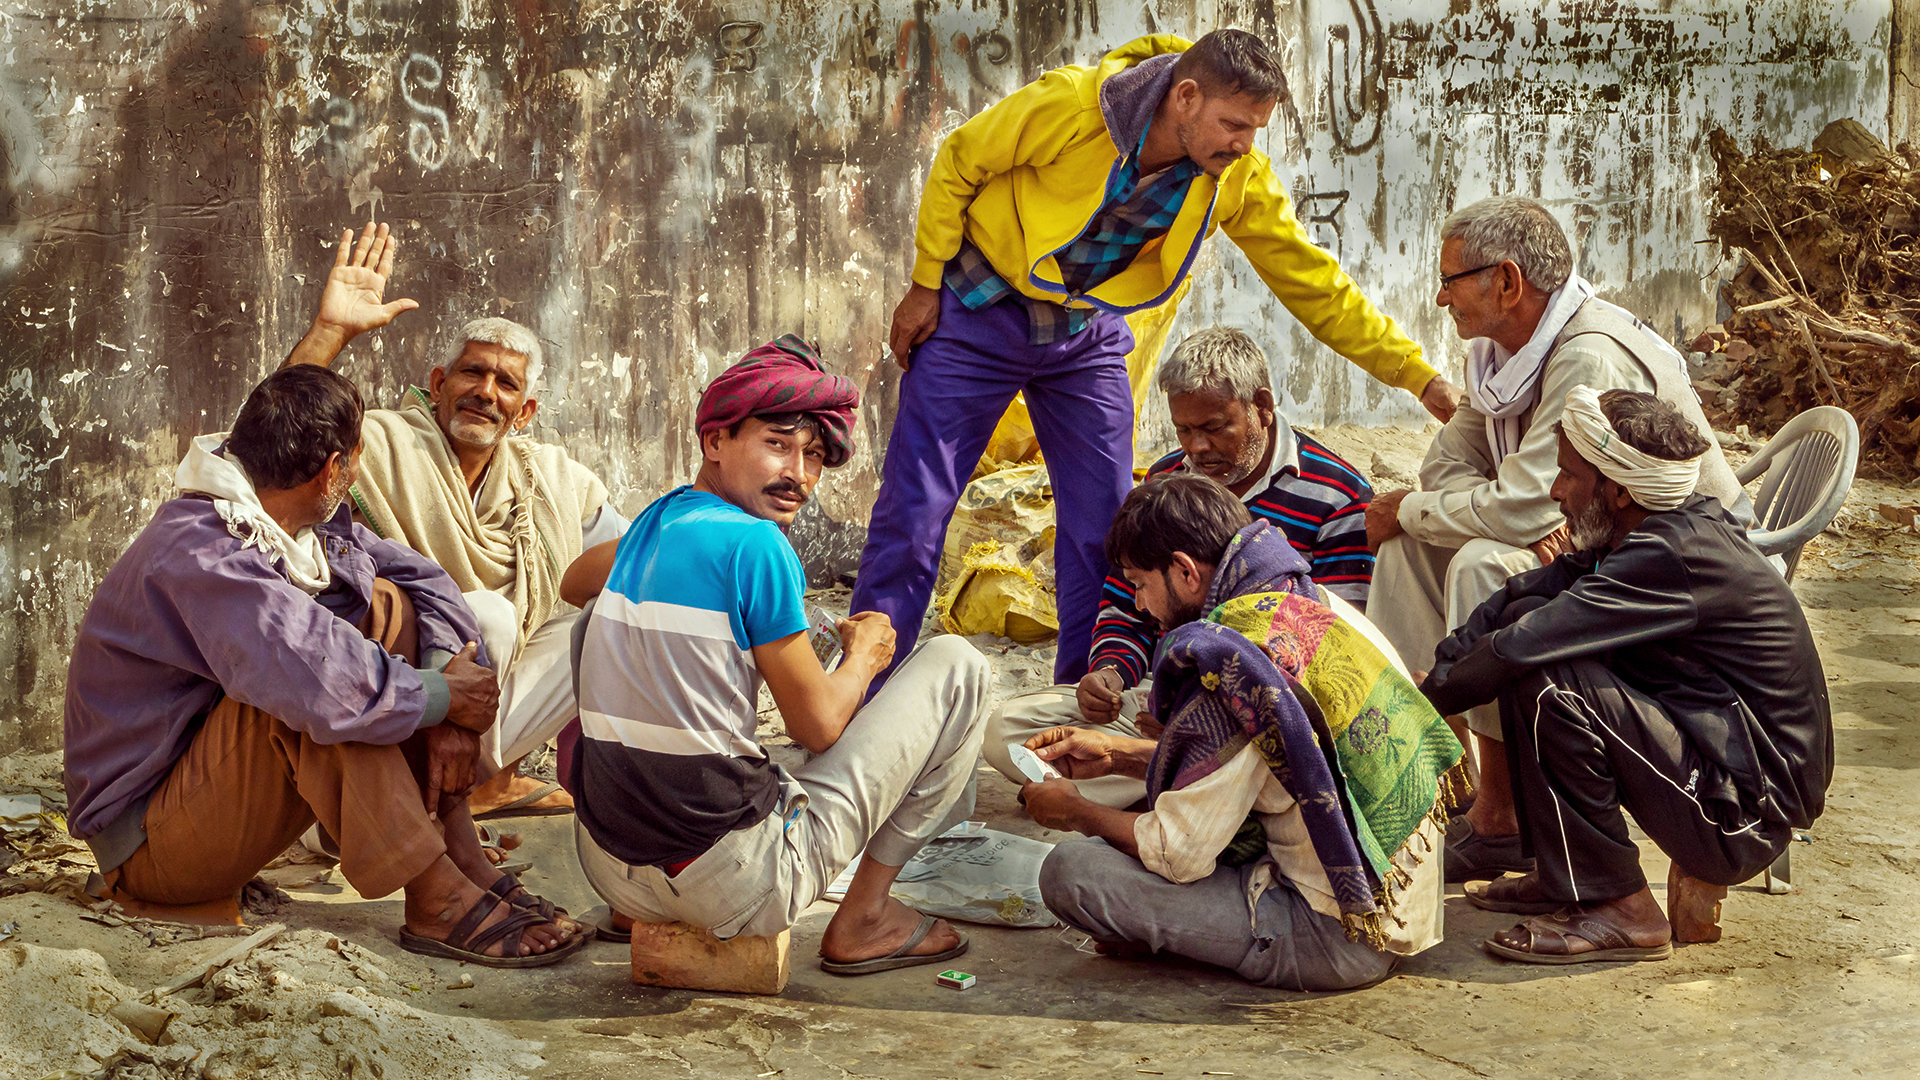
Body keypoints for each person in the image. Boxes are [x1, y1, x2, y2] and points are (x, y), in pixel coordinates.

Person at [853, 29, 1460, 693]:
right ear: (1186, 97)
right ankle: (864, 696)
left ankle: (1080, 706)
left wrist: (1416, 375)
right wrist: (922, 281)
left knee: (1106, 529)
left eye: (1255, 130)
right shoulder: (1073, 106)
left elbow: (1312, 280)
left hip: (1084, 333)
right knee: (914, 516)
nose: (1242, 144)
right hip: (978, 309)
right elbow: (959, 160)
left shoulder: (1235, 176)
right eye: (1232, 124)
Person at [63, 366, 583, 966]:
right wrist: (442, 697)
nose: (357, 473)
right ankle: (436, 897)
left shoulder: (297, 521)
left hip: (206, 793)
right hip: (151, 849)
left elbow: (424, 579)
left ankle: (458, 847)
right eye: (357, 458)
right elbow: (323, 685)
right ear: (331, 469)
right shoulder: (206, 549)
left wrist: (446, 697)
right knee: (315, 696)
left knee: (386, 609)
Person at [561, 338, 995, 974]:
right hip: (734, 886)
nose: (800, 474)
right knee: (960, 666)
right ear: (715, 441)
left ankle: (639, 893)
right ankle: (867, 918)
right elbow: (818, 726)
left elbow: (576, 583)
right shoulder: (760, 544)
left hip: (608, 867)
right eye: (777, 444)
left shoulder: (656, 521)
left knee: (596, 622)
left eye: (814, 456)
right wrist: (866, 657)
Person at [1363, 196, 1750, 883]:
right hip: (1590, 542)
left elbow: (1518, 509)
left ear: (1507, 282)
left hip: (1666, 567)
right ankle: (1440, 780)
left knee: (1484, 564)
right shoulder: (1500, 356)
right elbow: (1450, 465)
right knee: (1406, 550)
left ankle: (1500, 817)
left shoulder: (1587, 354)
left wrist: (1447, 509)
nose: (1441, 297)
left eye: (1451, 280)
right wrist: (1468, 510)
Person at [1420, 387, 1832, 964]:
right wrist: (1443, 668)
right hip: (1718, 762)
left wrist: (1420, 704)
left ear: (1615, 489)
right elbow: (1517, 601)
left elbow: (1526, 643)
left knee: (1552, 682)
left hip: (1747, 811)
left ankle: (1620, 906)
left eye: (1567, 474)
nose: (1555, 491)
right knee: (1527, 642)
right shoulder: (1629, 533)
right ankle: (1567, 874)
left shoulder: (1674, 554)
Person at [1019, 475, 1458, 990]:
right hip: (1395, 908)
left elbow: (1176, 851)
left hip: (1336, 937)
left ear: (1184, 572)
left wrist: (1072, 809)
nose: (1138, 604)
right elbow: (1279, 759)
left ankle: (1195, 941)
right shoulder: (1309, 602)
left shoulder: (1237, 665)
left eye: (1139, 583)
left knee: (1071, 869)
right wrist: (1120, 755)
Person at [285, 222, 624, 818]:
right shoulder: (383, 440)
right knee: (484, 612)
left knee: (603, 620)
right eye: (472, 374)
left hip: (477, 713)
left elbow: (631, 546)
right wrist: (331, 332)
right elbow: (277, 436)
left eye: (506, 383)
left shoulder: (550, 477)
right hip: (388, 688)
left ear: (525, 412)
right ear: (439, 385)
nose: (486, 391)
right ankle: (435, 795)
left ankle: (467, 785)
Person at [983, 326, 1374, 807]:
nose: (1198, 448)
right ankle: (1168, 770)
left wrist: (1202, 711)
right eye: (1184, 430)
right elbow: (1128, 604)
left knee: (1257, 760)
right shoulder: (1167, 478)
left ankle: (1161, 770)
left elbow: (1337, 643)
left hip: (1267, 716)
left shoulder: (1337, 494)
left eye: (1214, 427)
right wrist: (1109, 673)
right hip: (1159, 700)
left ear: (1263, 407)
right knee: (1008, 730)